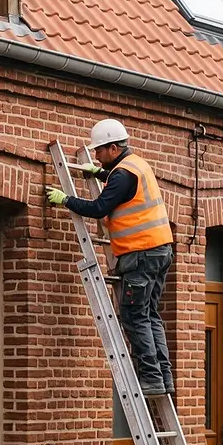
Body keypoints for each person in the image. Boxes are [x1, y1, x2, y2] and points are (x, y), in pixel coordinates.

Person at [46, 119, 175, 397]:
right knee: (150, 315)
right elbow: (122, 184)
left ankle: (151, 378)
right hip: (160, 251)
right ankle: (163, 376)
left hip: (140, 254)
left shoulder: (121, 175)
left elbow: (99, 207)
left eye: (100, 152)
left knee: (133, 316)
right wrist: (101, 174)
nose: (96, 156)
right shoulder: (136, 165)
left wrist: (65, 199)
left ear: (114, 148)